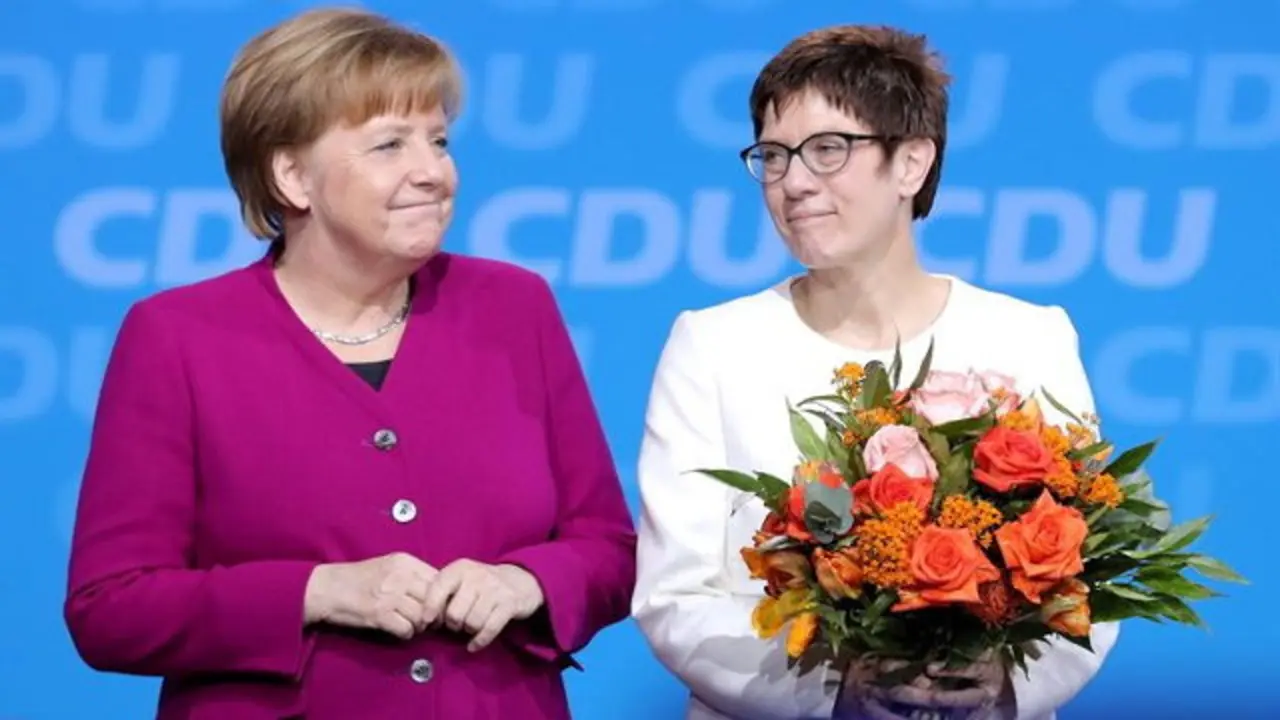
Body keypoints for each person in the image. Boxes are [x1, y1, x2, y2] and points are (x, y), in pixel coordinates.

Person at [63, 8, 636, 719]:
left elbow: (608, 550)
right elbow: (110, 607)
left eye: (439, 141)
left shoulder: (514, 307)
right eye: (389, 145)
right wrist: (316, 592)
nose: (433, 172)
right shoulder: (177, 337)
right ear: (292, 176)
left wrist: (529, 582)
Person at [631, 25, 1118, 720]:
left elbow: (1089, 575)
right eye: (773, 155)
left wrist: (1001, 684)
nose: (794, 182)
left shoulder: (1029, 337)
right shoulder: (712, 345)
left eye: (828, 149)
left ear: (912, 163)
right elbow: (675, 597)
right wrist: (836, 692)